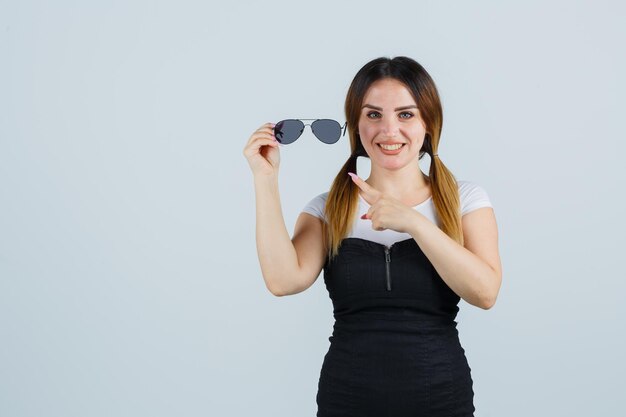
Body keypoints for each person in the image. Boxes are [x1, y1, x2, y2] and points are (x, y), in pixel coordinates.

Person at [243, 56, 502, 417]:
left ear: (428, 123)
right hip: (346, 401)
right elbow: (283, 280)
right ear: (356, 126)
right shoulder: (326, 208)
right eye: (374, 114)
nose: (389, 130)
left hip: (441, 400)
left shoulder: (467, 201)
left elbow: (485, 292)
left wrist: (413, 222)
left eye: (406, 114)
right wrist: (264, 179)